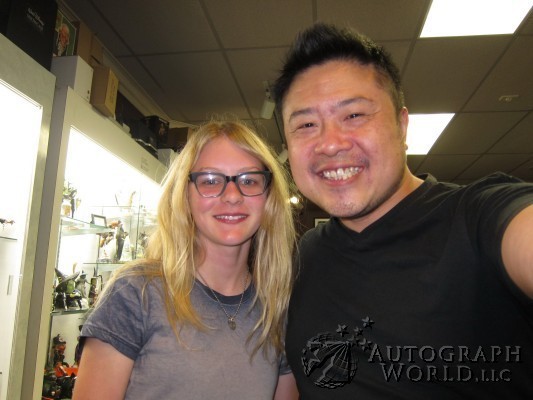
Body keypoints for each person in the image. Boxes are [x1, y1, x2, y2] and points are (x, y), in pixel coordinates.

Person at [272, 23, 533, 399]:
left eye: (354, 115)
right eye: (306, 124)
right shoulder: (304, 257)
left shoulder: (478, 218)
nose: (330, 143)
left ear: (402, 125)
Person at [73, 120, 298, 399]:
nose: (232, 196)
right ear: (184, 195)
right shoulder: (137, 294)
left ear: (269, 198)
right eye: (210, 180)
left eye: (249, 180)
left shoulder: (276, 311)